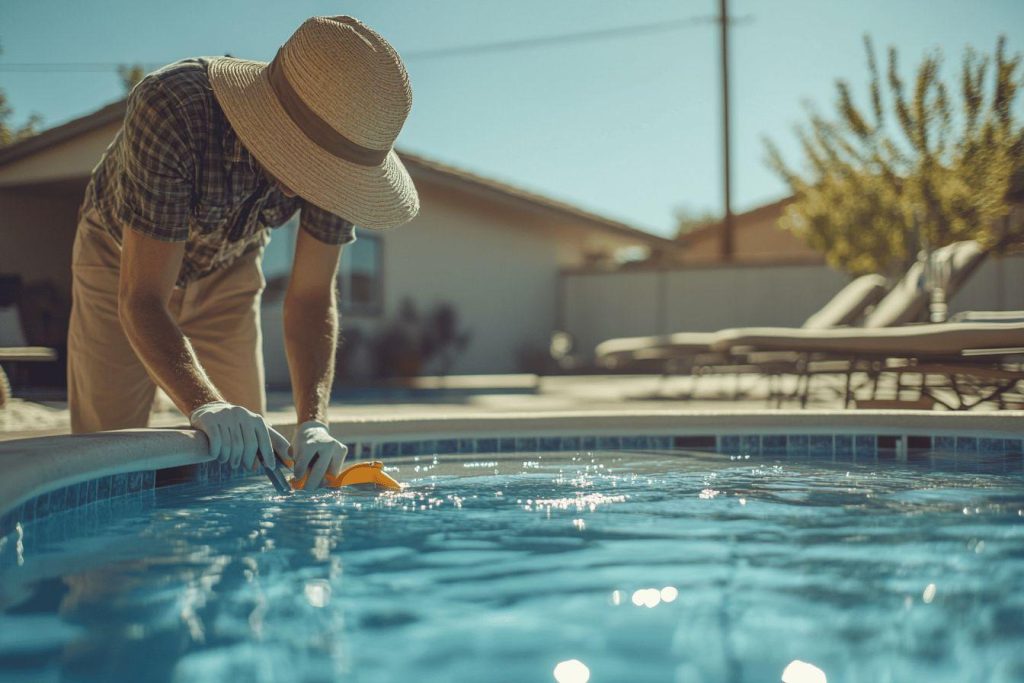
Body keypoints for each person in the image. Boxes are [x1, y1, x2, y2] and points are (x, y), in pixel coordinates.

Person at [66, 16, 419, 489]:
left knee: (251, 462)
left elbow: (312, 297)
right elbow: (143, 297)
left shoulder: (345, 153)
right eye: (312, 163)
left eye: (333, 171)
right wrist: (204, 404)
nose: (320, 182)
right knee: (102, 464)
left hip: (230, 264)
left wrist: (313, 420)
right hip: (121, 258)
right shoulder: (172, 105)